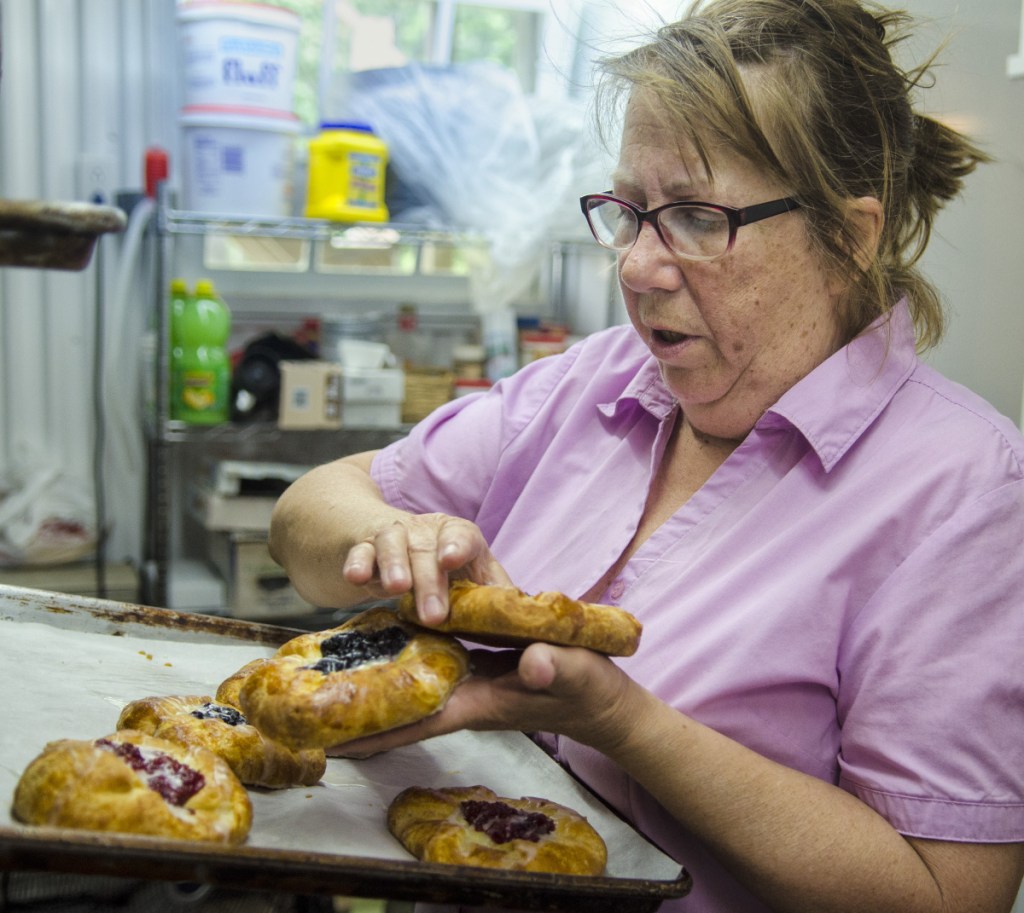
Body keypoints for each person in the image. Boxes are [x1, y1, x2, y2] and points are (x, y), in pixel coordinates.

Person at [269, 0, 1024, 909]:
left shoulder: (965, 489)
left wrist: (624, 723)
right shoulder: (597, 380)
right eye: (629, 211)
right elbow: (308, 513)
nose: (635, 266)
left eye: (699, 218)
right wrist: (397, 537)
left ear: (848, 239)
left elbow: (945, 896)